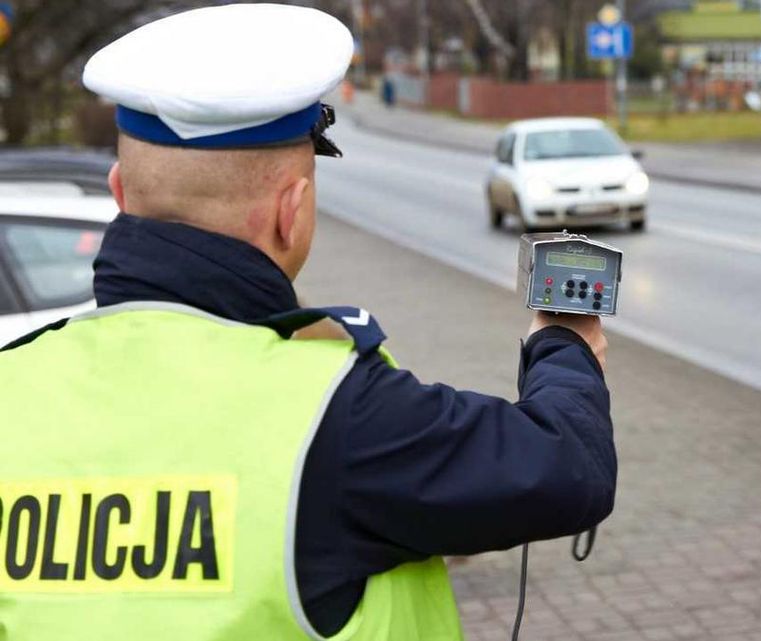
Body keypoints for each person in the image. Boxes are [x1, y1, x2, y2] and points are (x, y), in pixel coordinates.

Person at [0, 5, 615, 640]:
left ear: (119, 192)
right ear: (290, 212)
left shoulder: (11, 387)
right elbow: (568, 468)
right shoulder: (335, 416)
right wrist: (565, 342)